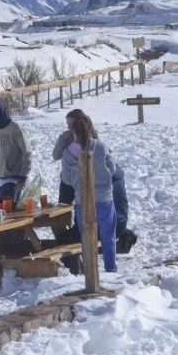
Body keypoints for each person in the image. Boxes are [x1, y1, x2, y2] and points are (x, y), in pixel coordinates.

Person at [52, 109, 136, 255]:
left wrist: (76, 177)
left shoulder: (82, 146)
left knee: (77, 198)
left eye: (70, 125)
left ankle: (69, 227)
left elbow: (66, 172)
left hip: (91, 191)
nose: (68, 128)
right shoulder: (95, 144)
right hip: (100, 194)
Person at [64, 117, 117, 273]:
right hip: (104, 196)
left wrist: (76, 179)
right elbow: (112, 168)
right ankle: (111, 268)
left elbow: (66, 178)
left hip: (83, 198)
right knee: (108, 236)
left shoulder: (69, 151)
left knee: (87, 237)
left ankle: (90, 271)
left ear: (72, 131)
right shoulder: (101, 146)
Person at [0, 97, 32, 203]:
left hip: (16, 179)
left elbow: (27, 153)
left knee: (9, 209)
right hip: (1, 178)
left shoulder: (15, 129)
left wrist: (22, 177)